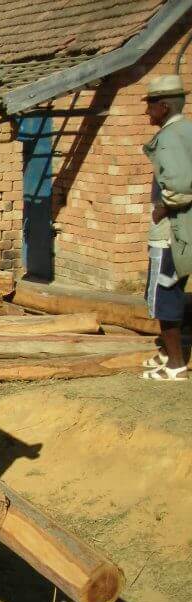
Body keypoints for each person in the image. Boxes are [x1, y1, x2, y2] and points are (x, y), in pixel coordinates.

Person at [141, 75, 192, 381]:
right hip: (185, 228)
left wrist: (164, 207)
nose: (147, 112)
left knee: (165, 292)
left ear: (164, 106)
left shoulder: (170, 138)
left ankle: (175, 364)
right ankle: (166, 353)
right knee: (172, 287)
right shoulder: (187, 131)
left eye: (150, 106)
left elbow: (180, 184)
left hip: (172, 231)